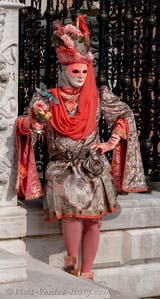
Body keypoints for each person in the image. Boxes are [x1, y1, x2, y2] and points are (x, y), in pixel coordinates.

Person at [16, 16, 147, 280]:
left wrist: (110, 143)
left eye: (84, 71)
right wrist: (34, 122)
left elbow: (124, 115)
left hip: (92, 166)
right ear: (64, 71)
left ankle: (87, 271)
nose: (80, 76)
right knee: (72, 216)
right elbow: (25, 124)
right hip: (62, 168)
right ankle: (71, 264)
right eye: (75, 71)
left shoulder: (98, 95)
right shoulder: (47, 96)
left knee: (94, 219)